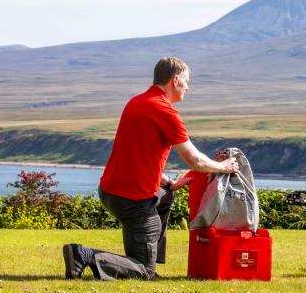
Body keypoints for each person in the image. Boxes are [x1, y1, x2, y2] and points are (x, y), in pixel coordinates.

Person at [62, 56, 239, 280]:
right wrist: (224, 167)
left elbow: (138, 154)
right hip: (131, 198)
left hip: (111, 191)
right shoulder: (165, 112)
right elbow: (195, 160)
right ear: (175, 80)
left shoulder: (136, 102)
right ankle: (84, 254)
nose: (188, 86)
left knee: (165, 196)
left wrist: (168, 182)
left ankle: (144, 256)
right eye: (186, 80)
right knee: (145, 273)